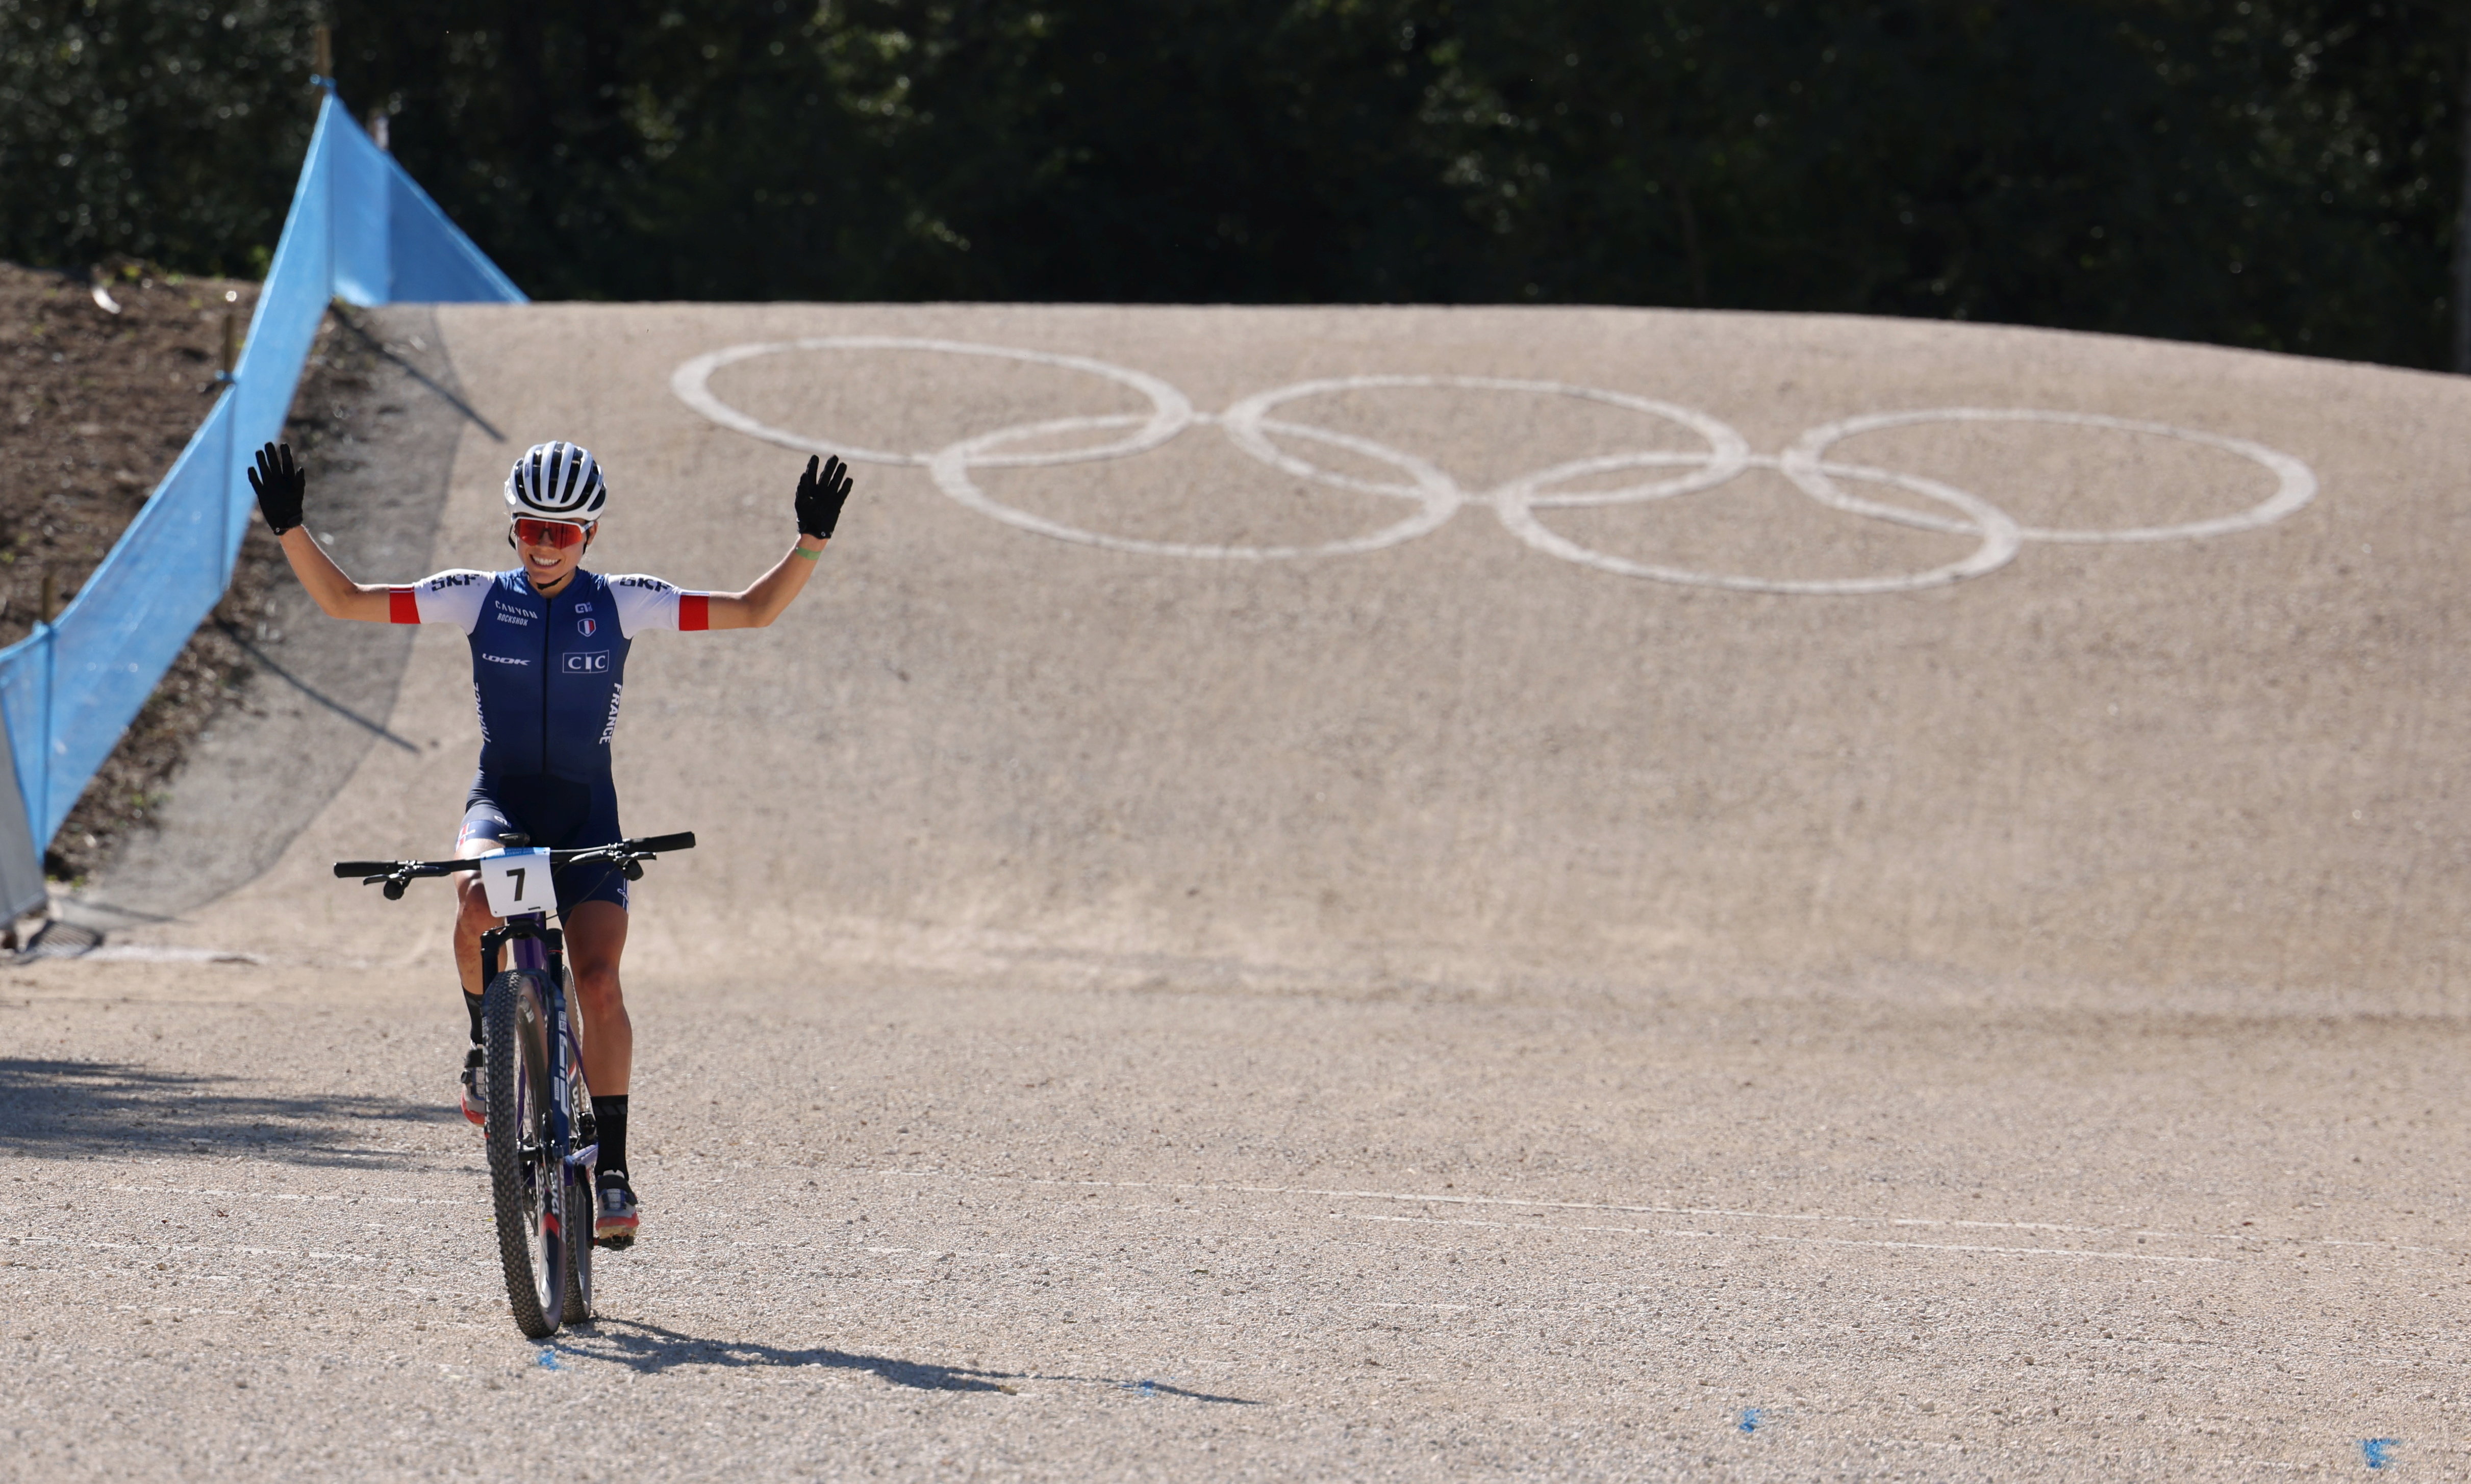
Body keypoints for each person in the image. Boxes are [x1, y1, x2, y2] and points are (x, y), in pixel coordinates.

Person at [245, 438, 853, 1247]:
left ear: (590, 534)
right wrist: (290, 526)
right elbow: (347, 601)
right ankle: (480, 1043)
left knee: (598, 983)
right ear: (513, 525)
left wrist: (810, 540)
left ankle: (613, 1171)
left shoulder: (624, 602)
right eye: (532, 525)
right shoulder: (475, 596)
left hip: (587, 818)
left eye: (563, 533)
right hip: (501, 804)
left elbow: (752, 610)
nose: (543, 544)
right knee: (472, 904)